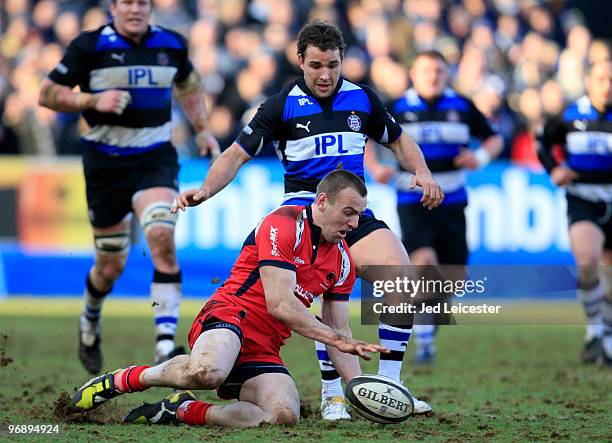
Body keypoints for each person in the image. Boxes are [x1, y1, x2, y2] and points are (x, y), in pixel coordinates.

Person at [172, 20, 443, 419]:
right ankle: (333, 393)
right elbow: (235, 154)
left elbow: (398, 138)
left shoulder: (363, 100)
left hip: (352, 213)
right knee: (325, 301)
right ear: (300, 61)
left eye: (332, 65)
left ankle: (389, 387)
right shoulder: (280, 106)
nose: (325, 74)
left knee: (400, 277)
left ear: (342, 60)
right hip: (304, 217)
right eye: (316, 65)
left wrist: (422, 171)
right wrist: (206, 190)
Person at [69, 170, 391, 428]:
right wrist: (337, 338)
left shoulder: (344, 261)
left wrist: (362, 391)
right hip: (230, 316)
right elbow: (279, 304)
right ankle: (124, 380)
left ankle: (181, 410)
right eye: (348, 213)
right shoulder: (284, 224)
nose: (353, 224)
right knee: (206, 373)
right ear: (322, 202)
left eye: (359, 216)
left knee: (282, 415)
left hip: (265, 345)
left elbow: (340, 333)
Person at [38, 0, 220, 374]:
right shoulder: (88, 47)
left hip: (155, 159)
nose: (135, 9)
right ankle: (89, 319)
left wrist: (202, 128)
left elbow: (188, 84)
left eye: (142, 2)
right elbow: (47, 94)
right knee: (110, 266)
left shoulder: (171, 44)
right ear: (113, 7)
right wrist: (91, 99)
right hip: (105, 165)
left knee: (161, 237)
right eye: (127, 2)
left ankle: (165, 347)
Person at [365, 50, 503, 365]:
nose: (433, 76)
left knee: (453, 278)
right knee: (423, 261)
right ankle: (425, 341)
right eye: (426, 70)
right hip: (412, 196)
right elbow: (369, 136)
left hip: (452, 197)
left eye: (439, 70)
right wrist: (375, 167)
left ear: (447, 73)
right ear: (414, 73)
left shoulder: (462, 105)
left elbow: (493, 139)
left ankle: (427, 316)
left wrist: (478, 158)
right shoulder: (398, 106)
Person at [538, 59, 612, 367]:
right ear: (589, 82)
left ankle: (606, 337)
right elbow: (543, 143)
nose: (607, 86)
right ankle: (594, 330)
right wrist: (555, 169)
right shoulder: (569, 115)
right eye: (602, 79)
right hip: (583, 198)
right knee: (587, 262)